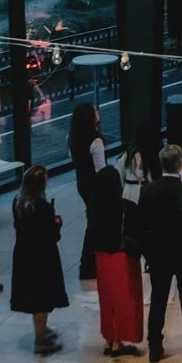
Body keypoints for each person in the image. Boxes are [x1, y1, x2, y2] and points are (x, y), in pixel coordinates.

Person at [137, 144, 182, 363]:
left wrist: (147, 253)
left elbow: (141, 227)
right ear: (180, 164)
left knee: (158, 299)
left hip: (158, 254)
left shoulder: (147, 191)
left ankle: (155, 346)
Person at [10, 165, 68, 355]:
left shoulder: (18, 203)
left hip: (24, 255)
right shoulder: (40, 207)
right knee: (42, 297)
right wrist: (56, 223)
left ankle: (41, 330)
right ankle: (40, 339)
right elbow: (50, 234)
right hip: (42, 257)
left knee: (35, 296)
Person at [89, 164, 144, 356]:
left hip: (101, 257)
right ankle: (118, 342)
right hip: (121, 257)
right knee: (124, 300)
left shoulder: (94, 208)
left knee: (107, 300)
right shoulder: (126, 207)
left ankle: (109, 339)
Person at [69, 99, 106, 280]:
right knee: (95, 223)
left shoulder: (73, 138)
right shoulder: (96, 141)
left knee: (93, 220)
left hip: (81, 183)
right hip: (95, 185)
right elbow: (101, 169)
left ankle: (90, 263)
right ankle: (89, 264)